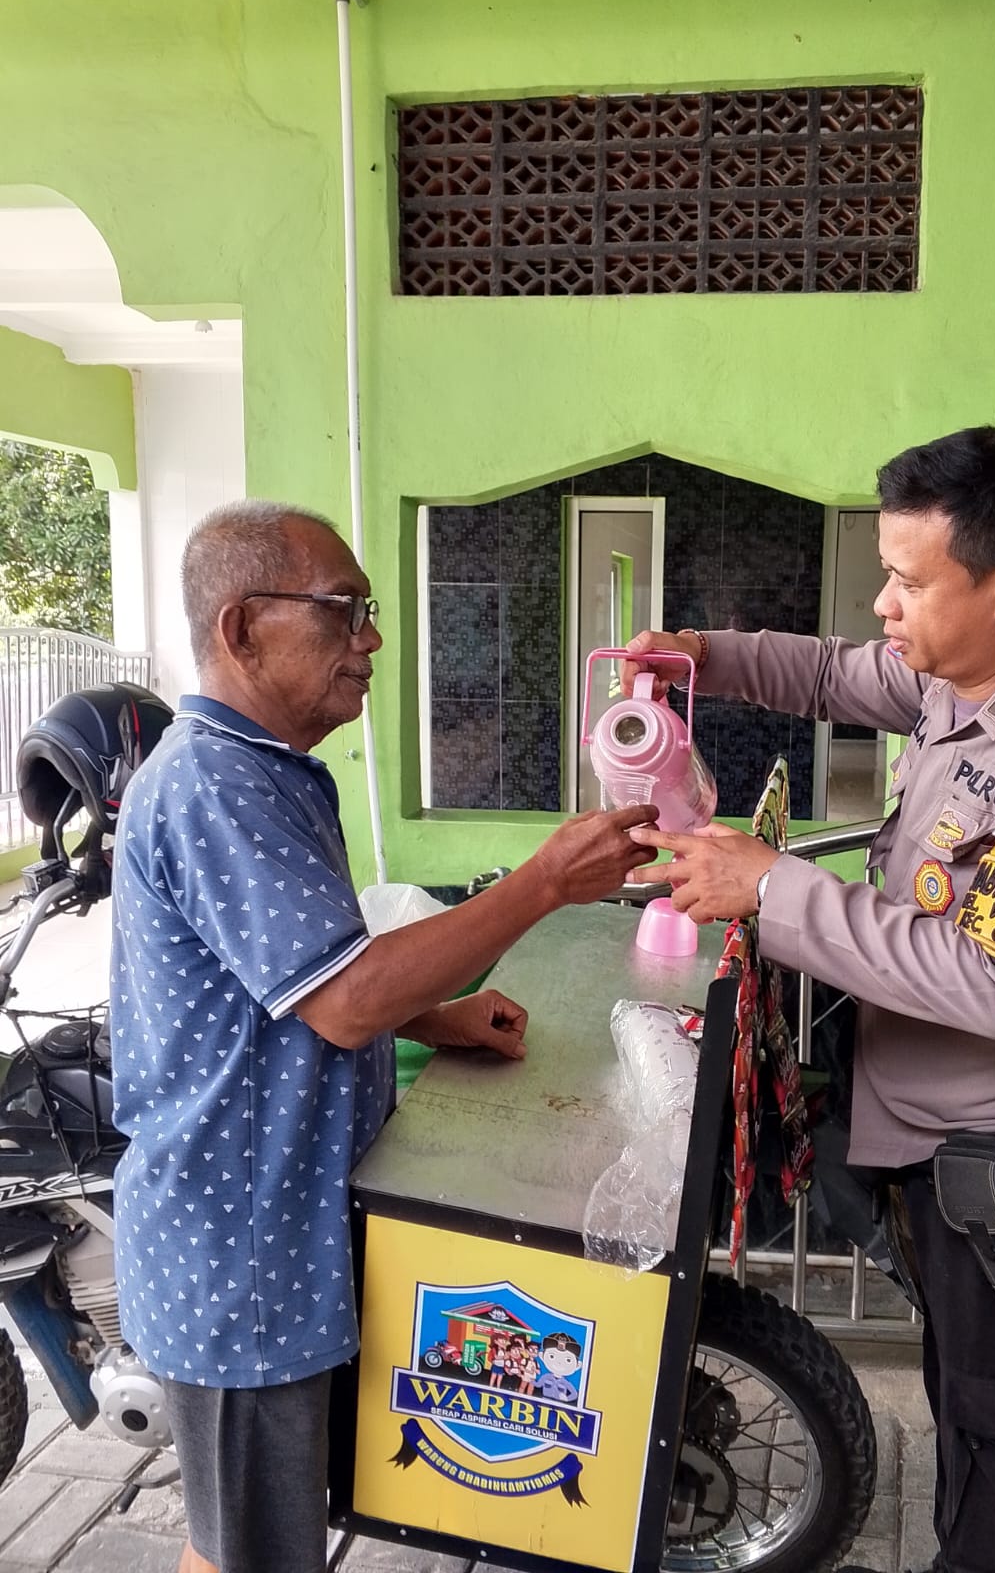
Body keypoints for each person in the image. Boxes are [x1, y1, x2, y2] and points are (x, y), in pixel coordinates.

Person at [624, 427, 995, 1573]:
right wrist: (699, 655)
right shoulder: (962, 681)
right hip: (958, 1175)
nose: (882, 603)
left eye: (907, 580)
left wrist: (771, 887)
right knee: (983, 1435)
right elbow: (831, 673)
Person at [110, 500, 659, 1573]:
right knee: (248, 1553)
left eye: (369, 612)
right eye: (343, 610)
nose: (369, 640)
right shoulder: (213, 781)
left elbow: (300, 974)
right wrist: (544, 881)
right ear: (243, 628)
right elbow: (345, 999)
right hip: (242, 1260)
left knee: (258, 1537)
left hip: (283, 1241)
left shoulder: (270, 768)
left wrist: (437, 1015)